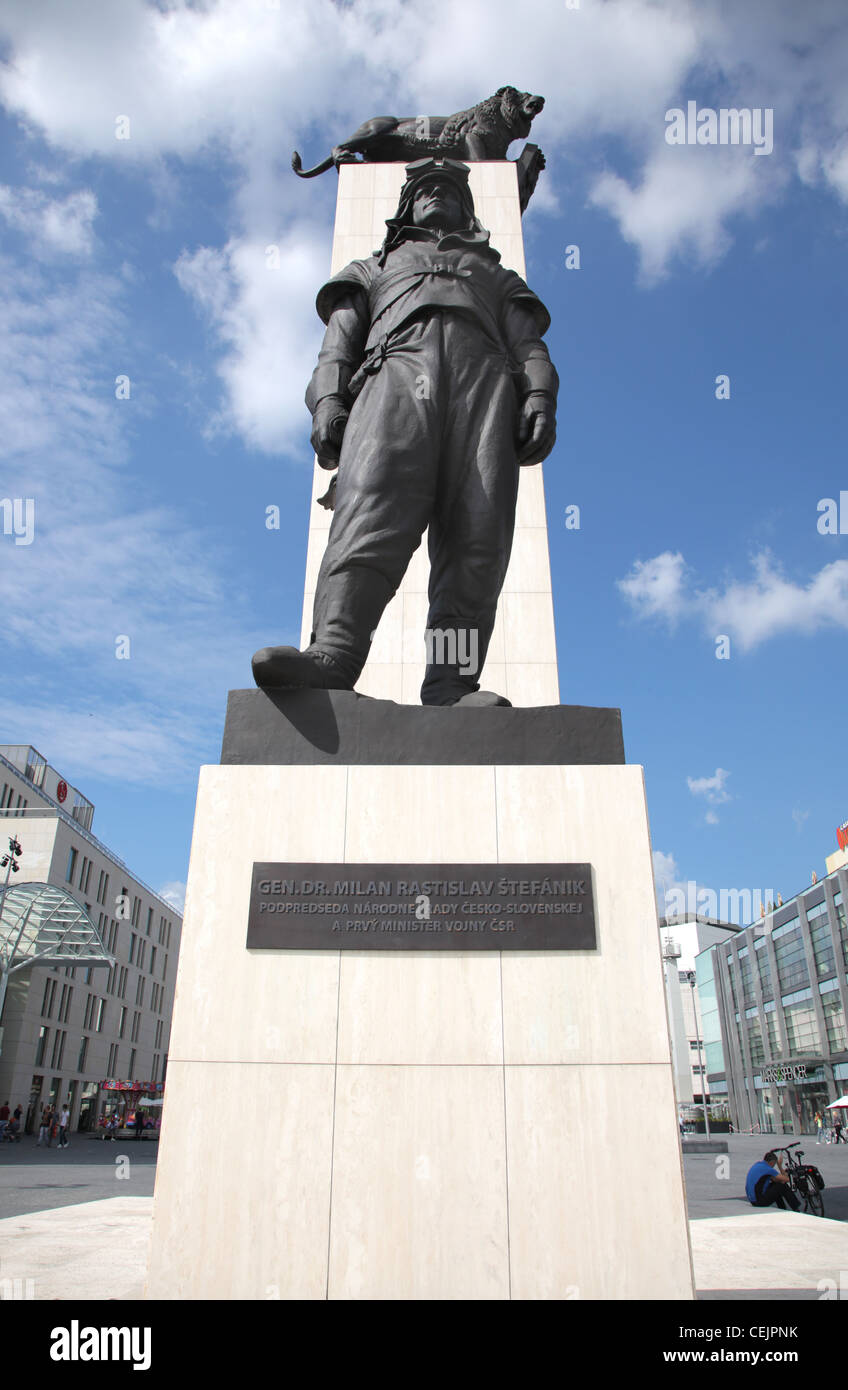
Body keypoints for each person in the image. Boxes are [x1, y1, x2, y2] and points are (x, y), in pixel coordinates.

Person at [252, 156, 558, 709]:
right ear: (405, 205)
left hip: (483, 392)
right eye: (423, 189)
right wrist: (327, 400)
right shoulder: (371, 269)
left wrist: (538, 391)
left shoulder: (497, 276)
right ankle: (334, 654)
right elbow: (337, 346)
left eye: (446, 189)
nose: (434, 195)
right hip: (392, 386)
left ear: (466, 208)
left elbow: (529, 345)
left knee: (476, 540)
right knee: (370, 515)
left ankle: (451, 683)